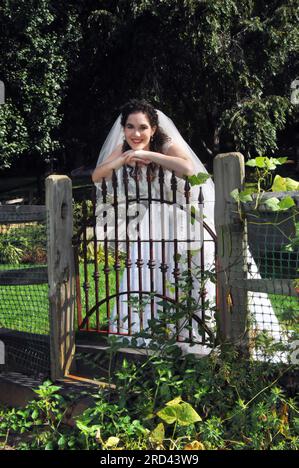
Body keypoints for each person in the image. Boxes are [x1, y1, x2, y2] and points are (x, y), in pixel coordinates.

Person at [92, 99, 283, 356]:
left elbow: (188, 168)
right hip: (153, 222)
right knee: (152, 276)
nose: (136, 134)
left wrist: (146, 154)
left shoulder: (167, 144)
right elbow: (97, 176)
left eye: (142, 127)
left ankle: (199, 333)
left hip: (184, 219)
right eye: (130, 127)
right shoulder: (123, 148)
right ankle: (150, 331)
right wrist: (123, 159)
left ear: (154, 129)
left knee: (187, 275)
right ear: (124, 128)